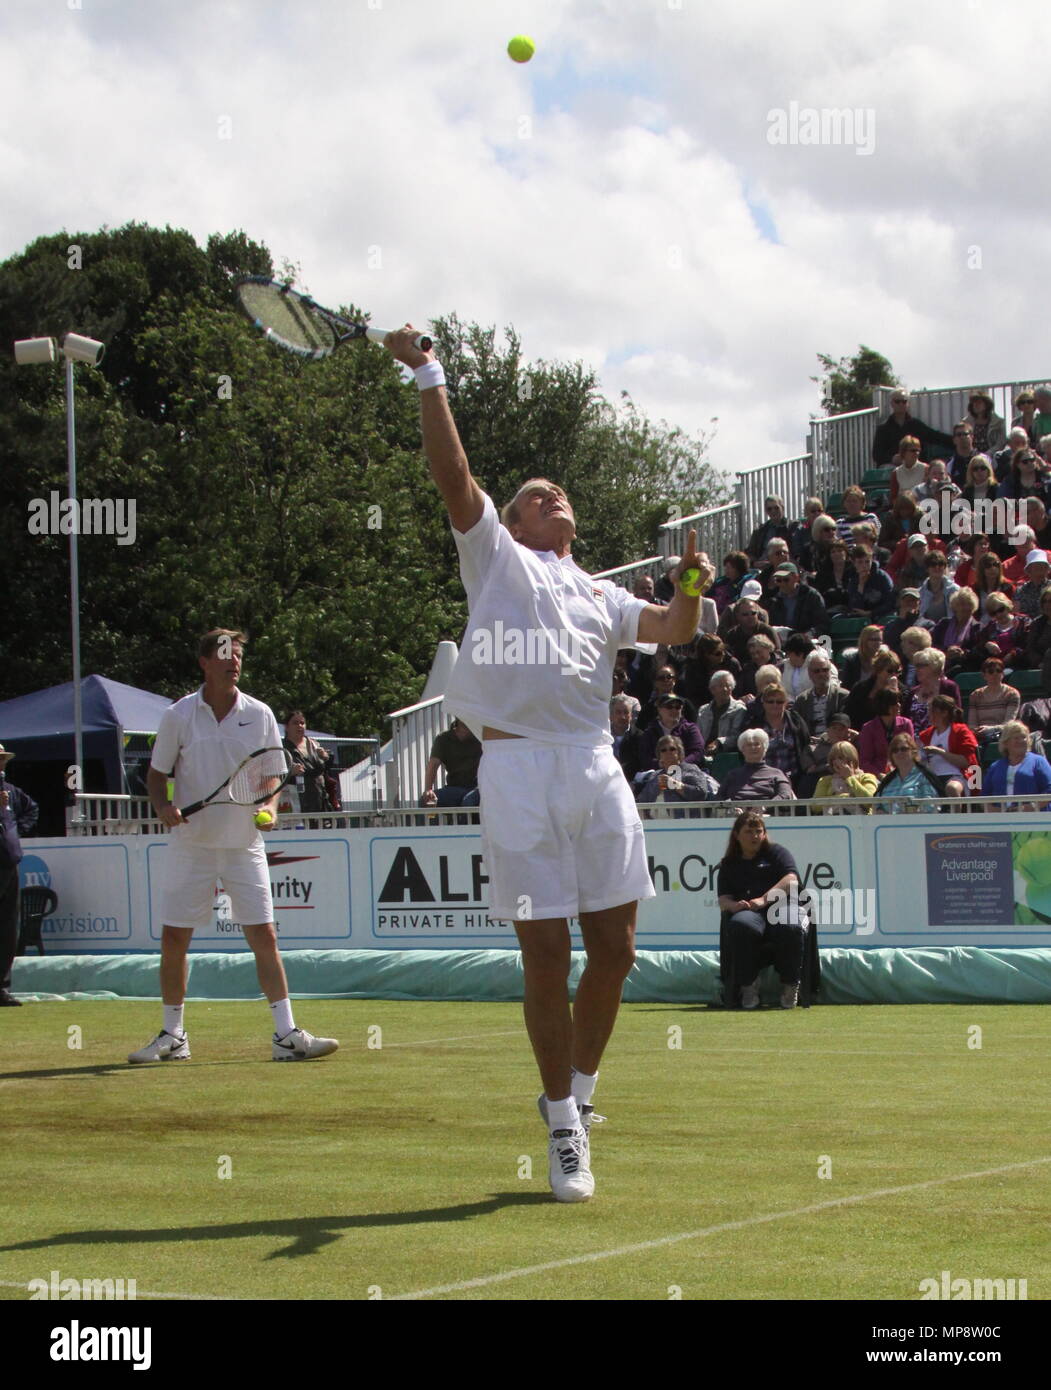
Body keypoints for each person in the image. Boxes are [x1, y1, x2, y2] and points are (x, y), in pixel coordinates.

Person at [384, 324, 712, 1203]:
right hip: (518, 769)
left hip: (595, 764)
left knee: (616, 948)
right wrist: (428, 372)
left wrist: (687, 586)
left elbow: (675, 631)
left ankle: (576, 1094)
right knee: (544, 955)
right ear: (515, 519)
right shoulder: (492, 558)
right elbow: (453, 476)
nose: (550, 494)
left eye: (556, 492)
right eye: (535, 493)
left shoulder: (602, 594)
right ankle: (564, 1129)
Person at [131, 630, 339, 1064]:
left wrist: (269, 806)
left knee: (264, 934)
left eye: (239, 655)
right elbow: (156, 774)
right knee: (174, 939)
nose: (234, 661)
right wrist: (164, 805)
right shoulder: (178, 715)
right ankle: (173, 1035)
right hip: (191, 844)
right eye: (225, 654)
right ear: (204, 661)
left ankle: (286, 1035)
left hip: (245, 845)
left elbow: (271, 779)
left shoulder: (260, 714)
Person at [717, 811, 810, 1010]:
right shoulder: (728, 864)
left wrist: (763, 899)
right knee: (741, 925)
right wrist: (735, 906)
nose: (755, 836)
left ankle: (790, 985)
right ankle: (748, 986)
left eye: (759, 831)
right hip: (750, 913)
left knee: (790, 926)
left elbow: (791, 879)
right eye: (749, 832)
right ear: (736, 835)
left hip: (781, 907)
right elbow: (723, 899)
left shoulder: (777, 853)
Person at [0, 745, 39, 1007]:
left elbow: (31, 809)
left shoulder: (11, 791)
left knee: (7, 926)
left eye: (2, 760)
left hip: (9, 863)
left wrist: (15, 832)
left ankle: (1, 986)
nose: (1, 765)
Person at [635, 735, 719, 815]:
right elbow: (641, 801)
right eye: (663, 750)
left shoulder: (691, 769)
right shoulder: (655, 775)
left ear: (679, 753)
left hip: (685, 824)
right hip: (657, 826)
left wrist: (675, 784)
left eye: (672, 749)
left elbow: (701, 793)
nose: (668, 752)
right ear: (659, 755)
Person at [871, 390, 953, 466]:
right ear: (892, 403)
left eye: (904, 401)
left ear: (908, 403)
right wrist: (892, 459)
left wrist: (957, 440)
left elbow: (935, 436)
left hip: (916, 468)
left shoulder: (916, 425)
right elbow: (877, 455)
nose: (901, 404)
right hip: (893, 469)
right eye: (897, 401)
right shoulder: (883, 429)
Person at [918, 694, 978, 797]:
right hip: (933, 778)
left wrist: (939, 751)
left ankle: (956, 813)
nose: (929, 715)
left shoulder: (960, 731)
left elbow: (965, 762)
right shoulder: (925, 735)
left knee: (952, 788)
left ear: (944, 713)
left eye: (932, 711)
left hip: (958, 776)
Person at [982, 721, 1051, 810]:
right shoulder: (995, 767)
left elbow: (1049, 790)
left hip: (1034, 819)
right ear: (1006, 742)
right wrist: (995, 811)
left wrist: (1030, 807)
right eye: (1016, 738)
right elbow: (985, 796)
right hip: (1001, 820)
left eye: (1024, 737)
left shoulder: (1039, 762)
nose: (1021, 741)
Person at [718, 729, 795, 802]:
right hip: (737, 815)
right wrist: (731, 809)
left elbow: (785, 795)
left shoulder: (777, 773)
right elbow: (719, 798)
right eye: (749, 745)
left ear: (764, 748)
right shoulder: (733, 775)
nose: (753, 747)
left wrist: (765, 807)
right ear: (742, 749)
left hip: (768, 814)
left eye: (757, 744)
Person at [421, 717, 482, 807]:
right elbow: (433, 764)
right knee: (427, 801)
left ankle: (462, 821)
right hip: (454, 788)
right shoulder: (444, 738)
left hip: (478, 788)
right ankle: (432, 820)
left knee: (469, 802)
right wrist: (428, 790)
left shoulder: (482, 737)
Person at [876, 733, 945, 810]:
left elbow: (931, 807)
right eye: (895, 750)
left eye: (904, 749)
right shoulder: (887, 781)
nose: (899, 753)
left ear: (913, 752)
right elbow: (876, 804)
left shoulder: (924, 777)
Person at [281, 711, 333, 813]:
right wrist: (290, 772)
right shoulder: (281, 748)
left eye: (302, 723)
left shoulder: (314, 744)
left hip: (319, 798)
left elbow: (325, 770)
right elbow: (274, 776)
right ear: (286, 727)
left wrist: (326, 757)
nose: (300, 726)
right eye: (295, 723)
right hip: (294, 799)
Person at [858, 688, 915, 777]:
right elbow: (865, 761)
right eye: (895, 703)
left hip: (904, 774)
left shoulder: (906, 724)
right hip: (878, 776)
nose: (899, 705)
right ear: (885, 705)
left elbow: (912, 753)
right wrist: (879, 775)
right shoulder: (868, 728)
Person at [793, 650, 850, 736]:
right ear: (809, 674)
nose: (821, 674)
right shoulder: (802, 700)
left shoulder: (843, 697)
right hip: (810, 745)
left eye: (825, 670)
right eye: (817, 671)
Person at [766, 562, 828, 635]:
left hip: (807, 641)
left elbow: (823, 623)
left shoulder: (811, 596)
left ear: (796, 578)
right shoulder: (774, 600)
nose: (782, 584)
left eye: (786, 580)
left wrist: (810, 634)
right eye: (778, 580)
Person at [966, 658, 1021, 742]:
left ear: (1002, 674)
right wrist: (977, 731)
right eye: (991, 671)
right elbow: (972, 725)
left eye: (998, 671)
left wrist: (990, 729)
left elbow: (1008, 724)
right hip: (979, 737)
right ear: (984, 675)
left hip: (1003, 737)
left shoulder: (1012, 694)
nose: (995, 674)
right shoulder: (975, 695)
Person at [813, 741, 878, 810]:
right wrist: (844, 798)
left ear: (851, 759)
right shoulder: (825, 780)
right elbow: (815, 806)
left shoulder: (867, 777)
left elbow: (870, 801)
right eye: (833, 758)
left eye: (840, 758)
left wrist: (850, 777)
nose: (836, 762)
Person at [696, 671, 748, 754]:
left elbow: (737, 736)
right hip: (703, 753)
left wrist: (719, 742)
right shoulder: (703, 711)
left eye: (728, 685)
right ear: (712, 689)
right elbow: (698, 735)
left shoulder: (739, 709)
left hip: (726, 755)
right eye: (721, 686)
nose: (725, 689)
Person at [846, 544, 895, 619]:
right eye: (860, 562)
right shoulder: (853, 579)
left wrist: (872, 613)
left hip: (881, 616)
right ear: (854, 563)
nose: (864, 566)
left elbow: (890, 602)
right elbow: (855, 607)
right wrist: (861, 586)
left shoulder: (882, 577)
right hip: (861, 618)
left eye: (867, 562)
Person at [746, 497, 792, 562]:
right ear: (766, 511)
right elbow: (750, 553)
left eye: (776, 508)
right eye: (769, 509)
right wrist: (754, 563)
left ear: (783, 508)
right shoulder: (760, 530)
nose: (773, 511)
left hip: (781, 565)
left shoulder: (792, 527)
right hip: (761, 566)